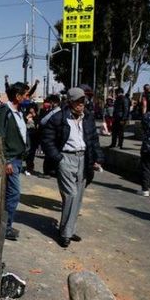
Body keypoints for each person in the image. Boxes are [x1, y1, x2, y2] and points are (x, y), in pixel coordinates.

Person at [41, 87, 104, 248]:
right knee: (71, 194)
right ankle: (65, 234)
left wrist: (98, 158)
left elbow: (93, 139)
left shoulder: (88, 117)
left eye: (82, 101)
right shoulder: (58, 118)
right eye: (77, 101)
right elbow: (47, 140)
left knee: (79, 196)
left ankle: (68, 229)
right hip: (66, 158)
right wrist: (58, 158)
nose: (81, 104)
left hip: (84, 158)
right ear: (70, 102)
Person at [0, 81, 28, 241]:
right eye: (25, 94)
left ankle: (4, 225)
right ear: (18, 96)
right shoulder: (4, 111)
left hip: (17, 159)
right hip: (10, 160)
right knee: (13, 194)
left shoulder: (18, 112)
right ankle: (5, 227)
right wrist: (6, 161)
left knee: (9, 194)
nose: (27, 97)